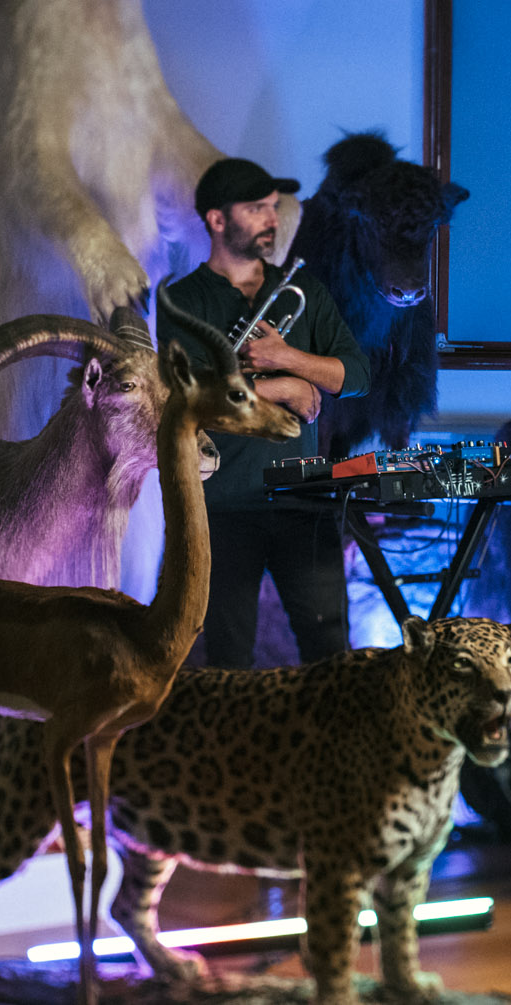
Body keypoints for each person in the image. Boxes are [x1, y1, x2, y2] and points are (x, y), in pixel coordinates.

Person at [160, 157, 371, 669]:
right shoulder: (180, 302)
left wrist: (288, 362)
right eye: (256, 209)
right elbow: (184, 403)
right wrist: (281, 390)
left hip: (303, 501)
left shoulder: (304, 290)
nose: (272, 220)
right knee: (227, 657)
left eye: (273, 208)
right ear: (216, 219)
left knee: (330, 654)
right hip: (220, 507)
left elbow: (357, 377)